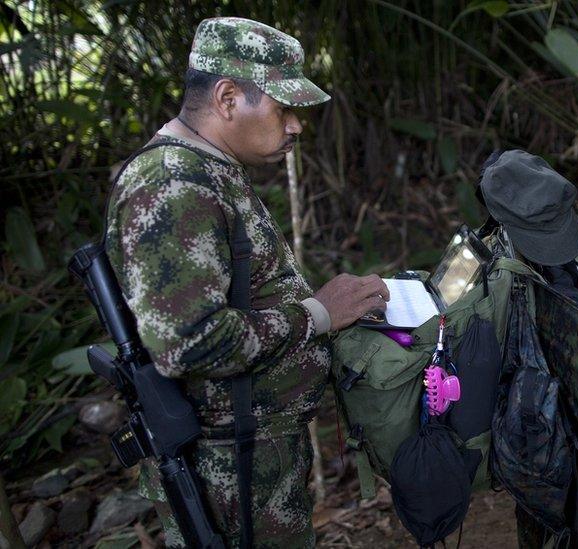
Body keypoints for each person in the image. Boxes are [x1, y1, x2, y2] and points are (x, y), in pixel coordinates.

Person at [103, 17, 390, 547]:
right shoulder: (173, 184)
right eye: (282, 109)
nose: (295, 126)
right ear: (229, 97)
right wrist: (319, 314)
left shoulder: (211, 170)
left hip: (254, 454)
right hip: (228, 470)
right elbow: (187, 343)